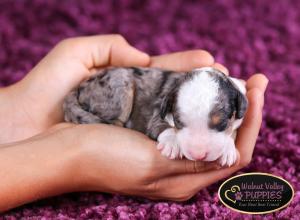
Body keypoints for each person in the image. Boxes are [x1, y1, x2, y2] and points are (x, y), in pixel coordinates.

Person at [0, 35, 268, 212]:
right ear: (171, 108)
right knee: (122, 90)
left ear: (237, 107)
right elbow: (158, 123)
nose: (199, 149)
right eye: (181, 124)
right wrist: (76, 154)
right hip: (111, 88)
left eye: (219, 125)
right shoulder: (168, 100)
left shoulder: (236, 98)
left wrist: (229, 142)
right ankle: (113, 120)